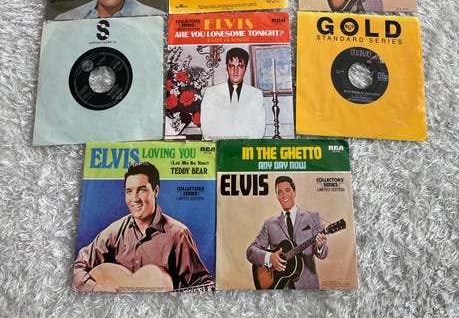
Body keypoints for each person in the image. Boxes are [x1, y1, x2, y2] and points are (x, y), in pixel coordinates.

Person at [73, 161, 214, 292]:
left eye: (141, 190)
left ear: (156, 191)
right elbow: (78, 266)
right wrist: (95, 288)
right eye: (129, 191)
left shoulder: (178, 235)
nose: (134, 199)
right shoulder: (115, 232)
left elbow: (203, 285)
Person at [246, 175, 328, 289]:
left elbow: (323, 254)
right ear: (277, 196)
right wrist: (270, 257)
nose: (284, 195)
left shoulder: (313, 217)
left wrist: (320, 246)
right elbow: (251, 251)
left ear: (294, 192)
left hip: (308, 288)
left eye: (287, 190)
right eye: (279, 192)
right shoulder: (269, 224)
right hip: (279, 290)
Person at [200, 47, 265, 140]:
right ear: (227, 67)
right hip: (219, 146)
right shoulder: (211, 93)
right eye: (231, 66)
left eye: (240, 66)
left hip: (245, 146)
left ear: (245, 68)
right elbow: (206, 128)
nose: (235, 71)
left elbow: (259, 130)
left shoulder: (256, 95)